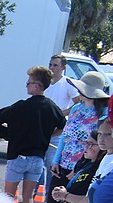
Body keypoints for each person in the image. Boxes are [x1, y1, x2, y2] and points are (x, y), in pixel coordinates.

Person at [0, 66, 65, 203]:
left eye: (29, 82)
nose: (26, 85)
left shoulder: (23, 105)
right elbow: (63, 125)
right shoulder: (52, 107)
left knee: (8, 196)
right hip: (37, 159)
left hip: (18, 156)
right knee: (27, 197)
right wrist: (49, 135)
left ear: (37, 85)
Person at [45, 71, 107, 203]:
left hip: (83, 168)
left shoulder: (103, 115)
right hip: (63, 164)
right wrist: (56, 160)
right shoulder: (76, 109)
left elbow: (100, 144)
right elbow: (65, 136)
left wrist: (80, 168)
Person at [50, 130, 101, 203]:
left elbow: (89, 199)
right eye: (86, 143)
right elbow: (74, 186)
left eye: (91, 144)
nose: (86, 147)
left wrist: (65, 196)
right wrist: (61, 191)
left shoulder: (97, 170)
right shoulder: (84, 164)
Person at [43, 54, 76, 190]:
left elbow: (77, 103)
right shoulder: (44, 82)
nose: (51, 68)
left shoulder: (67, 83)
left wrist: (61, 114)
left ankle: (48, 195)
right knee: (38, 164)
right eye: (50, 64)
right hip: (42, 127)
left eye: (55, 65)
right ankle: (35, 194)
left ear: (63, 67)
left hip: (58, 129)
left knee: (52, 163)